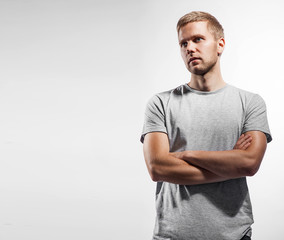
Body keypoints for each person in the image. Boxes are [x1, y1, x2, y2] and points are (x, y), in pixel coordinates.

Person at [140, 11, 272, 240]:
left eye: (198, 39)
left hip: (233, 235)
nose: (189, 48)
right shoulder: (160, 103)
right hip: (173, 235)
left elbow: (249, 164)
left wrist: (185, 155)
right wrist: (230, 161)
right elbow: (157, 168)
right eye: (183, 43)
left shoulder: (250, 102)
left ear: (220, 44)